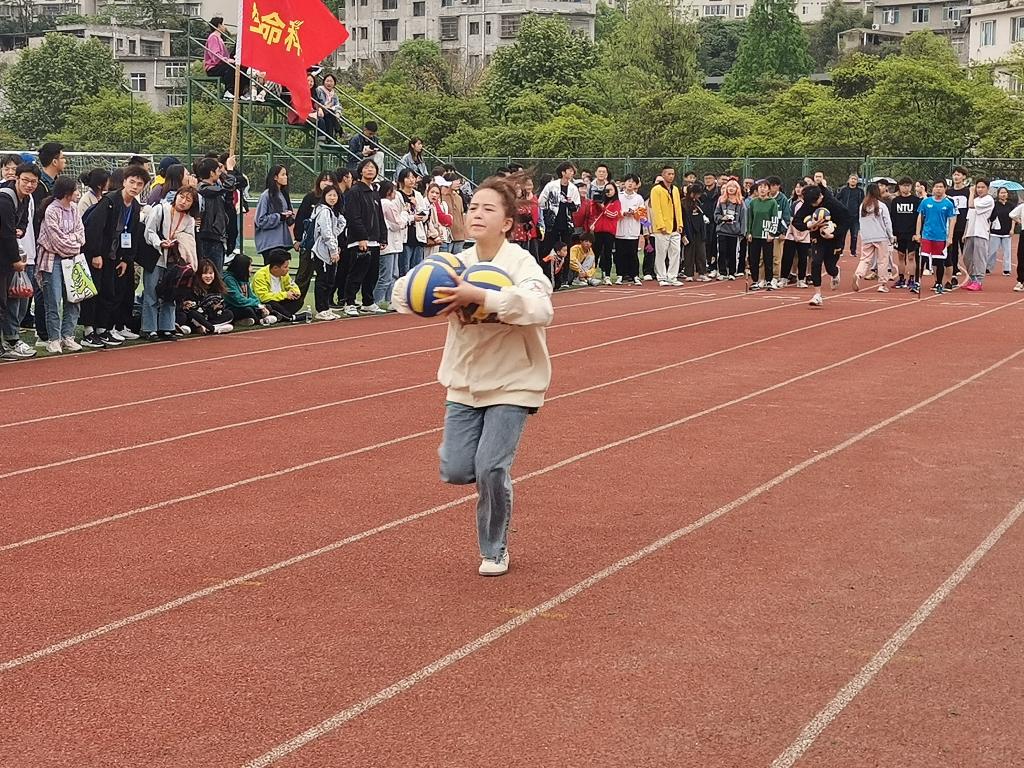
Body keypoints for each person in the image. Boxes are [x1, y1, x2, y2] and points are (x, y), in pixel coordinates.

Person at [390, 173, 554, 577]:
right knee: (457, 469)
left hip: (514, 382)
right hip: (465, 382)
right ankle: (484, 481)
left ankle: (494, 549)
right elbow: (400, 296)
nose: (477, 214)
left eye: (488, 209)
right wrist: (428, 294)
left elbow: (541, 308)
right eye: (474, 206)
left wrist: (480, 296)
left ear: (507, 223)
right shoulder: (454, 263)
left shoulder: (520, 263)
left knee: (491, 468)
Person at [79, 163, 148, 348]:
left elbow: (131, 233)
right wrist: (95, 254)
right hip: (98, 254)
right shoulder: (109, 201)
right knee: (93, 292)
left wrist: (126, 259)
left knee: (109, 292)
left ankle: (103, 328)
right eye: (132, 182)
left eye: (139, 184)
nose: (134, 187)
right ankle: (88, 331)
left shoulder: (134, 206)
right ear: (124, 182)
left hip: (115, 256)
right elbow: (93, 228)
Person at [34, 175, 86, 353]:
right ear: (66, 192)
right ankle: (54, 339)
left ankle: (68, 336)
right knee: (53, 301)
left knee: (74, 299)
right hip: (52, 261)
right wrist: (73, 243)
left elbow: (81, 235)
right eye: (75, 190)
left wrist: (71, 242)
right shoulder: (51, 211)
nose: (78, 193)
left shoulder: (74, 209)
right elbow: (56, 241)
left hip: (72, 259)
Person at [141, 185, 199, 340]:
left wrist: (178, 243)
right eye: (182, 197)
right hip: (156, 257)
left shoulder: (189, 220)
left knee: (171, 293)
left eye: (188, 200)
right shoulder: (160, 209)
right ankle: (149, 329)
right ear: (176, 196)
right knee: (151, 292)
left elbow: (190, 241)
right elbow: (149, 231)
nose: (183, 201)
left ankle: (167, 327)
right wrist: (160, 243)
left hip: (175, 261)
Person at [0, 163, 40, 350]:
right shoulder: (5, 199)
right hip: (5, 257)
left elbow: (23, 221)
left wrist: (21, 230)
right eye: (25, 180)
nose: (29, 185)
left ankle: (9, 340)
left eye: (33, 182)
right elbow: (6, 233)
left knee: (11, 300)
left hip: (7, 256)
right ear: (16, 178)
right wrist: (16, 260)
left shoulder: (26, 198)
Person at [343, 158, 386, 316]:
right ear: (361, 171)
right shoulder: (355, 191)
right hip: (359, 240)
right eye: (367, 167)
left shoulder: (374, 192)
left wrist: (383, 237)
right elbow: (353, 217)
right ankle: (349, 302)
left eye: (373, 168)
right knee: (356, 273)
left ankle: (368, 302)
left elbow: (379, 216)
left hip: (374, 240)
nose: (370, 170)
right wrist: (362, 237)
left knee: (372, 274)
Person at [292, 171, 336, 301]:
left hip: (327, 247)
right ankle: (293, 304)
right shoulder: (310, 197)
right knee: (303, 276)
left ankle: (325, 304)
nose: (327, 183)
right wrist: (298, 239)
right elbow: (301, 219)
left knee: (326, 277)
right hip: (309, 245)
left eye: (330, 181)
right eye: (324, 180)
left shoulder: (336, 200)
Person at [914, 179, 958, 295]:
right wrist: (918, 233)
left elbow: (952, 220)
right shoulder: (926, 202)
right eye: (936, 187)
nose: (938, 189)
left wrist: (950, 237)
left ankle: (939, 283)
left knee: (939, 261)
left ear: (945, 189)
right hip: (926, 235)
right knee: (922, 259)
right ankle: (917, 283)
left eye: (941, 187)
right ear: (932, 188)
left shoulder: (948, 204)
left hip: (940, 237)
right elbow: (920, 217)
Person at [310, 184, 346, 320]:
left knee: (329, 281)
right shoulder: (324, 211)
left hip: (328, 250)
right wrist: (333, 250)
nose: (332, 198)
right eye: (329, 195)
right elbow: (326, 233)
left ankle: (326, 307)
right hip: (322, 251)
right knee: (323, 280)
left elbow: (338, 226)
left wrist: (335, 237)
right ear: (324, 196)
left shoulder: (332, 211)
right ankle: (321, 309)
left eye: (335, 195)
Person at [853, 183, 894, 293]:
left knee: (865, 259)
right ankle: (882, 284)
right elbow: (887, 222)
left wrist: (863, 234)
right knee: (882, 260)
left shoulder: (862, 206)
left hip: (867, 236)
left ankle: (858, 274)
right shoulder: (882, 206)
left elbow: (860, 221)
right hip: (881, 236)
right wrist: (891, 236)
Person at [537, 162, 579, 265]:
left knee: (566, 250)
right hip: (552, 223)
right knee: (548, 248)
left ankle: (564, 273)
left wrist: (570, 203)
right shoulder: (551, 186)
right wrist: (548, 212)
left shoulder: (573, 188)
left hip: (567, 224)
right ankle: (545, 270)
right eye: (570, 171)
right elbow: (541, 202)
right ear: (563, 172)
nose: (572, 173)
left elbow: (577, 206)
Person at [177, 258, 234, 334]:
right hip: (196, 317)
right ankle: (213, 329)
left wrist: (216, 308)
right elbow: (190, 308)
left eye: (210, 273)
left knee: (229, 314)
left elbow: (219, 308)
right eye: (205, 273)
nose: (208, 276)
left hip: (210, 318)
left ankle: (207, 327)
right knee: (192, 314)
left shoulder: (216, 288)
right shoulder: (193, 288)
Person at [253, 248, 310, 322]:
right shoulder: (260, 275)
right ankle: (290, 317)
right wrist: (285, 295)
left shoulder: (284, 274)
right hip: (266, 303)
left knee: (298, 300)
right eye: (285, 267)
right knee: (271, 304)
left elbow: (292, 285)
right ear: (275, 268)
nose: (288, 269)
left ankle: (279, 316)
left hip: (280, 302)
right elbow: (263, 297)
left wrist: (295, 292)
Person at [650, 166, 683, 287]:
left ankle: (672, 276)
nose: (671, 176)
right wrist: (660, 225)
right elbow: (656, 209)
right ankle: (661, 276)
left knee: (676, 252)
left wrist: (680, 223)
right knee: (661, 253)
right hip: (662, 228)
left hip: (675, 227)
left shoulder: (675, 189)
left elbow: (678, 207)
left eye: (673, 174)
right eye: (668, 174)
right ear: (663, 175)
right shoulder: (656, 190)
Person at [377, 179, 407, 311]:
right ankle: (376, 300)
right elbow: (398, 223)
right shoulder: (386, 203)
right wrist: (405, 214)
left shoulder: (385, 203)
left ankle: (390, 300)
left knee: (393, 274)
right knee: (386, 275)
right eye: (393, 190)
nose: (395, 193)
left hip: (393, 244)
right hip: (388, 243)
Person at [204, 16, 251, 99]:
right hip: (213, 67)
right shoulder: (213, 38)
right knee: (231, 67)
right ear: (219, 25)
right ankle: (229, 91)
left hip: (220, 64)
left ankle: (241, 92)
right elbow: (215, 55)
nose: (225, 27)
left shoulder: (219, 38)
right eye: (223, 24)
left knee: (242, 68)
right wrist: (227, 60)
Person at [254, 164, 295, 258]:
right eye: (283, 174)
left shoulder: (284, 194)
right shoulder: (266, 196)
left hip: (282, 243)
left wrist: (290, 216)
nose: (286, 177)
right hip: (270, 244)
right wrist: (280, 217)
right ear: (275, 177)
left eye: (286, 174)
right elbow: (260, 220)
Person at [960, 179, 994, 292]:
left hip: (981, 233)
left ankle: (978, 280)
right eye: (978, 187)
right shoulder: (975, 199)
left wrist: (971, 192)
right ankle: (972, 278)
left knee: (979, 258)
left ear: (987, 189)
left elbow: (971, 206)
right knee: (966, 257)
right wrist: (965, 233)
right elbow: (969, 219)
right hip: (970, 232)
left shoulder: (988, 200)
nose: (979, 190)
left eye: (982, 187)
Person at [745, 179, 779, 290]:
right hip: (755, 234)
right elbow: (750, 218)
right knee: (753, 259)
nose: (762, 189)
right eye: (760, 187)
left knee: (768, 258)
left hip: (766, 234)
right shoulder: (753, 202)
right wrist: (749, 232)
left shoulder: (772, 202)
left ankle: (769, 280)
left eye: (765, 187)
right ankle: (755, 280)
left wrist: (772, 233)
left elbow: (774, 218)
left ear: (768, 189)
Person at [223, 254, 277, 326]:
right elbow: (239, 300)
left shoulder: (243, 277)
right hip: (233, 307)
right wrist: (256, 304)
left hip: (246, 304)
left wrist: (260, 305)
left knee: (268, 306)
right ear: (243, 268)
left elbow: (251, 295)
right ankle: (260, 320)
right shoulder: (228, 280)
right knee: (248, 310)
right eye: (250, 266)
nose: (252, 268)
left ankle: (249, 320)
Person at [889, 177, 921, 291]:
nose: (905, 188)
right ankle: (901, 278)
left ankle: (912, 279)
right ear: (899, 187)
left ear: (911, 187)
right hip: (899, 233)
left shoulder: (916, 201)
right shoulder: (895, 201)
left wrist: (917, 233)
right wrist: (893, 233)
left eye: (908, 185)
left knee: (911, 256)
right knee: (901, 256)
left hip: (911, 233)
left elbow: (919, 217)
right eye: (903, 185)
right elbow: (892, 218)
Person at [395, 168, 427, 276]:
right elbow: (398, 216)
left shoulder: (417, 195)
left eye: (413, 177)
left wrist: (416, 205)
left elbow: (425, 214)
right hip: (404, 238)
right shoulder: (397, 195)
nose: (411, 180)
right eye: (408, 178)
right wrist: (412, 217)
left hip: (418, 236)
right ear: (402, 180)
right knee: (404, 269)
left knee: (417, 270)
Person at [615, 174, 644, 286]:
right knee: (620, 254)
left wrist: (634, 213)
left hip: (633, 230)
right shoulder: (618, 196)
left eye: (633, 182)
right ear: (624, 183)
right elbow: (615, 211)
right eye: (628, 181)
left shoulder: (639, 198)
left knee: (633, 253)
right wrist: (623, 213)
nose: (630, 184)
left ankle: (635, 275)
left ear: (636, 184)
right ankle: (620, 275)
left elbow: (642, 213)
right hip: (620, 229)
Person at [714, 179, 746, 281]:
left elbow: (743, 218)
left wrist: (742, 232)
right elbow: (716, 214)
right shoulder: (721, 200)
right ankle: (722, 272)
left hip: (734, 232)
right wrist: (722, 218)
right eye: (729, 186)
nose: (731, 189)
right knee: (722, 252)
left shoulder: (740, 202)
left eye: (734, 187)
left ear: (737, 189)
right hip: (722, 230)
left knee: (733, 252)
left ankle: (732, 272)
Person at [946, 166, 971, 289]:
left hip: (964, 226)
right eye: (954, 174)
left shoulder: (967, 192)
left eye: (959, 174)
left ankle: (971, 276)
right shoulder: (949, 193)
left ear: (964, 177)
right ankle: (953, 275)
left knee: (966, 252)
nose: (956, 177)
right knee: (952, 252)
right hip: (952, 227)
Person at [682, 183, 710, 282]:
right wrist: (683, 233)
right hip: (688, 230)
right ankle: (688, 273)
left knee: (701, 252)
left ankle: (702, 273)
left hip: (699, 230)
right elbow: (683, 218)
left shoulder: (698, 202)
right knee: (689, 252)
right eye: (697, 193)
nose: (698, 195)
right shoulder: (683, 203)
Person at [594, 181, 621, 284]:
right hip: (598, 230)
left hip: (609, 231)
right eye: (607, 190)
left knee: (607, 253)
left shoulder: (616, 202)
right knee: (595, 252)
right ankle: (591, 274)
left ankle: (607, 275)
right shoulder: (601, 201)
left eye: (611, 190)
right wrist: (595, 203)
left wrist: (603, 207)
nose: (608, 192)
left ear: (615, 191)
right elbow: (594, 213)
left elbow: (614, 214)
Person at [987, 187, 1014, 277]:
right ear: (998, 194)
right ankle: (988, 267)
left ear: (1007, 194)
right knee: (992, 251)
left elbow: (1014, 218)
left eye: (1005, 193)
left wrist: (1012, 229)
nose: (1003, 194)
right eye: (1001, 193)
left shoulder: (1011, 205)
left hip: (1007, 232)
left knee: (1007, 252)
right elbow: (990, 218)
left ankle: (1007, 269)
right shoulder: (994, 205)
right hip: (995, 232)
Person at [836, 174, 865, 257]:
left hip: (855, 217)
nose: (853, 180)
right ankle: (840, 250)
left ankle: (853, 251)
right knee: (842, 235)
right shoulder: (844, 190)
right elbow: (837, 199)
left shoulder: (860, 191)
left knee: (854, 235)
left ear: (857, 181)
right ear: (848, 180)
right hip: (844, 217)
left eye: (855, 179)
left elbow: (863, 202)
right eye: (852, 179)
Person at [442, 175, 467, 254]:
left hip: (460, 236)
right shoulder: (441, 197)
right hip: (447, 237)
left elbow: (462, 215)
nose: (458, 183)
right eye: (455, 180)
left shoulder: (459, 197)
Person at [315, 73, 342, 141]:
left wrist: (338, 113)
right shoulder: (319, 90)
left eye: (331, 81)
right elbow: (315, 101)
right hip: (320, 111)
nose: (329, 83)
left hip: (329, 113)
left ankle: (329, 138)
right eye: (327, 81)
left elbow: (337, 105)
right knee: (330, 113)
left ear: (334, 83)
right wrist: (323, 107)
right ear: (324, 82)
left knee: (330, 117)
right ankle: (339, 130)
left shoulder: (334, 94)